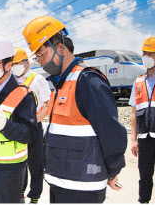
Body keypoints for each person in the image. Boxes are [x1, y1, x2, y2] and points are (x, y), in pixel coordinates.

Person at [22, 16, 127, 203]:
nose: (41, 62)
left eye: (42, 55)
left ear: (60, 48)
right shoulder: (61, 83)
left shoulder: (87, 80)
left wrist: (113, 169)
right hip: (60, 180)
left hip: (82, 186)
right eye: (37, 57)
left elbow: (110, 130)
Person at [0, 34, 39, 203]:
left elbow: (30, 134)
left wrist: (6, 126)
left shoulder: (24, 95)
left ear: (8, 65)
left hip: (11, 169)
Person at [129, 37, 155, 203]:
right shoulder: (138, 81)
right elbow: (133, 112)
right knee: (144, 176)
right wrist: (133, 139)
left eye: (149, 53)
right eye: (144, 53)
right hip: (145, 139)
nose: (145, 56)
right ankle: (143, 201)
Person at [11, 47, 51, 204]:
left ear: (26, 63)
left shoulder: (37, 79)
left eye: (18, 63)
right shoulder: (11, 80)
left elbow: (48, 104)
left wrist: (36, 121)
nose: (15, 66)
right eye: (12, 63)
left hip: (34, 126)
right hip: (17, 128)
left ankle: (34, 196)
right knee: (20, 161)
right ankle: (20, 192)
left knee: (35, 164)